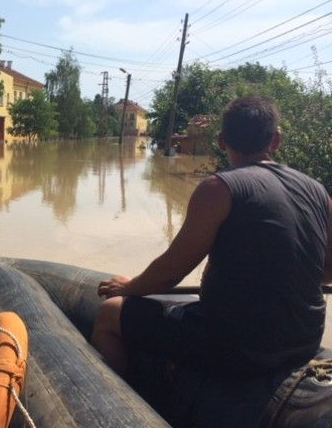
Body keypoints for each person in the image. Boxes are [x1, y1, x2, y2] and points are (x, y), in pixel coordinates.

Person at [91, 96, 332, 420]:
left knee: (109, 314)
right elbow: (328, 273)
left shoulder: (218, 188)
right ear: (276, 139)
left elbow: (169, 273)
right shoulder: (318, 190)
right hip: (304, 340)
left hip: (238, 348)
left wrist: (129, 287)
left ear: (221, 141)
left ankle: (115, 416)